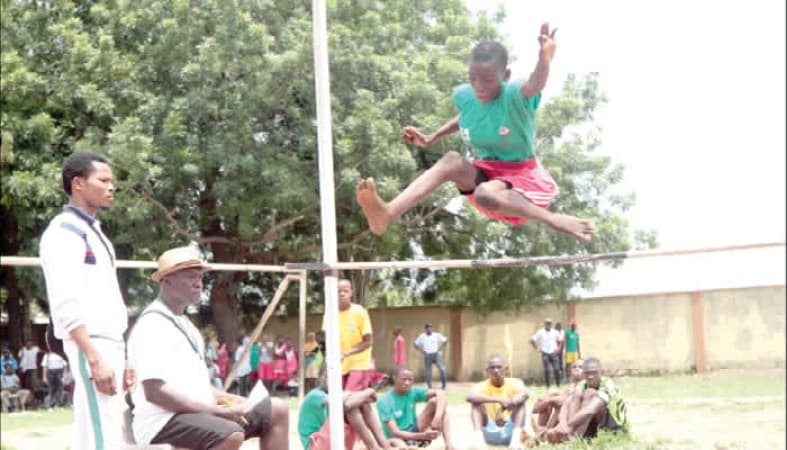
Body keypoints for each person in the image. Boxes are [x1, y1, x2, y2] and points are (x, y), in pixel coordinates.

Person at [355, 25, 595, 242]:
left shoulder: (514, 95)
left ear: (506, 76)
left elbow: (535, 84)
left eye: (488, 80)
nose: (479, 86)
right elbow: (467, 117)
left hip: (523, 182)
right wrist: (431, 137)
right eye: (473, 78)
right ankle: (386, 214)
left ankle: (553, 219)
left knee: (485, 194)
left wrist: (544, 59)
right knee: (451, 160)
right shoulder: (466, 96)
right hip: (489, 174)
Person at [128, 246, 289, 449]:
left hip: (196, 413)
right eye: (190, 277)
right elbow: (155, 392)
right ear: (166, 280)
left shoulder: (186, 324)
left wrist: (230, 399)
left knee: (277, 410)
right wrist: (215, 412)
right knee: (229, 434)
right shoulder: (153, 325)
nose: (198, 284)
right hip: (163, 421)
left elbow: (197, 384)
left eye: (200, 277)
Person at [39, 151, 134, 449]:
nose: (111, 187)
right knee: (103, 434)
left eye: (112, 181)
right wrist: (93, 357)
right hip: (90, 343)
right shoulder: (64, 232)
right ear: (78, 183)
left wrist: (124, 354)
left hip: (111, 341)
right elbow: (66, 301)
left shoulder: (95, 233)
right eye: (103, 180)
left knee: (95, 429)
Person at [297, 365, 406, 450]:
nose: (331, 380)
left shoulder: (340, 393)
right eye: (327, 376)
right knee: (351, 407)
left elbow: (368, 399)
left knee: (361, 403)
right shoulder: (315, 395)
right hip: (315, 445)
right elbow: (340, 404)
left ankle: (384, 445)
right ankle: (374, 447)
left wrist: (369, 392)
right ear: (320, 377)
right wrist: (369, 391)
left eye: (335, 377)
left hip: (334, 440)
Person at [547, 358, 629, 443]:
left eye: (594, 373)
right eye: (587, 373)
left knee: (590, 393)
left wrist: (567, 426)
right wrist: (562, 424)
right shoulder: (582, 384)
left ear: (601, 372)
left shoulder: (607, 384)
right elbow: (567, 404)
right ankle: (568, 434)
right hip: (593, 425)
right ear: (583, 373)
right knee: (577, 395)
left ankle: (573, 436)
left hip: (614, 427)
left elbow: (590, 410)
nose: (590, 376)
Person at [377, 366, 456, 449]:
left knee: (438, 405)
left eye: (410, 380)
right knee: (399, 444)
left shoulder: (413, 391)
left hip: (415, 430)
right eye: (403, 379)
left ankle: (449, 445)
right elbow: (395, 432)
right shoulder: (384, 401)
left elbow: (441, 393)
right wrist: (422, 436)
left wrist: (437, 417)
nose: (407, 383)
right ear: (394, 378)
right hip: (397, 438)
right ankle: (409, 446)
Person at [322, 278, 375, 391]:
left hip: (359, 363)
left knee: (348, 396)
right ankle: (369, 395)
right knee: (349, 400)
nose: (342, 293)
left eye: (345, 291)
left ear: (351, 292)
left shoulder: (359, 312)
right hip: (340, 363)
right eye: (338, 291)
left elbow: (368, 341)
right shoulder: (329, 314)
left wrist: (346, 353)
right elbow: (327, 340)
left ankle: (369, 393)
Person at [467, 354, 529, 449]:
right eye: (492, 368)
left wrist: (501, 409)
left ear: (506, 369)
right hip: (489, 430)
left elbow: (524, 395)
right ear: (487, 371)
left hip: (510, 430)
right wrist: (498, 399)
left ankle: (515, 441)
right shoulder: (480, 386)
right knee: (476, 405)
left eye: (499, 367)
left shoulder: (515, 383)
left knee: (520, 404)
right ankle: (478, 439)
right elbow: (470, 397)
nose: (496, 371)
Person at [531, 358, 585, 436]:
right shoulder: (571, 386)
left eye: (580, 367)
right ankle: (542, 429)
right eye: (574, 367)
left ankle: (546, 431)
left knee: (559, 404)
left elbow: (567, 400)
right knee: (552, 394)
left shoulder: (585, 384)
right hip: (565, 410)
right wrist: (548, 397)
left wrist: (549, 400)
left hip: (574, 415)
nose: (577, 369)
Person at [413, 323, 448, 390]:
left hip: (436, 354)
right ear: (425, 329)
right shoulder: (422, 336)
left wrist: (440, 348)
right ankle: (429, 386)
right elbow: (415, 344)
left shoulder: (436, 335)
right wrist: (422, 351)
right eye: (427, 328)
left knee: (442, 369)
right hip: (427, 355)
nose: (429, 329)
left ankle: (444, 385)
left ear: (432, 328)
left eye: (430, 328)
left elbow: (445, 340)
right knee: (428, 372)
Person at [530, 317, 562, 387]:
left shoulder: (555, 332)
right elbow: (532, 340)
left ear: (551, 324)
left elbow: (560, 340)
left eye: (550, 323)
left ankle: (558, 385)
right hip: (545, 354)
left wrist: (558, 348)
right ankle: (548, 386)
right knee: (547, 370)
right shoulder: (540, 332)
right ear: (545, 324)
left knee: (556, 369)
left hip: (554, 353)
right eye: (547, 323)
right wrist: (537, 348)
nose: (548, 325)